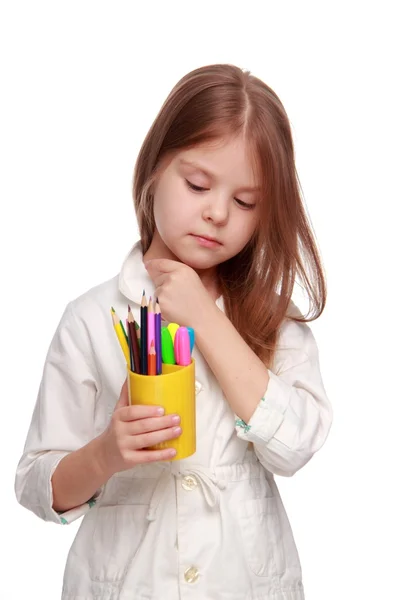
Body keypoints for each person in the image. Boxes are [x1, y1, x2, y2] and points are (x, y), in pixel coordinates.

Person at [15, 63, 333, 600]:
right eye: (198, 184)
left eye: (244, 202)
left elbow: (296, 446)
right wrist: (106, 454)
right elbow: (35, 486)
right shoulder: (91, 318)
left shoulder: (274, 320)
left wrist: (207, 320)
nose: (215, 213)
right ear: (153, 170)